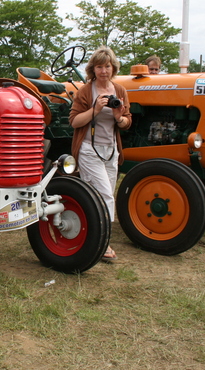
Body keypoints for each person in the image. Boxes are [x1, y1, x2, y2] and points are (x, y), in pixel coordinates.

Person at [69, 46, 132, 262]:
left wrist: (118, 116)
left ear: (113, 68)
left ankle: (90, 235)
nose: (103, 71)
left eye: (107, 66)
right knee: (104, 195)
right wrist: (95, 110)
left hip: (111, 151)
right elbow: (74, 122)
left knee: (105, 195)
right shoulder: (86, 91)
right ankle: (103, 242)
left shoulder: (120, 91)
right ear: (92, 69)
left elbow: (126, 122)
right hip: (88, 149)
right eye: (99, 67)